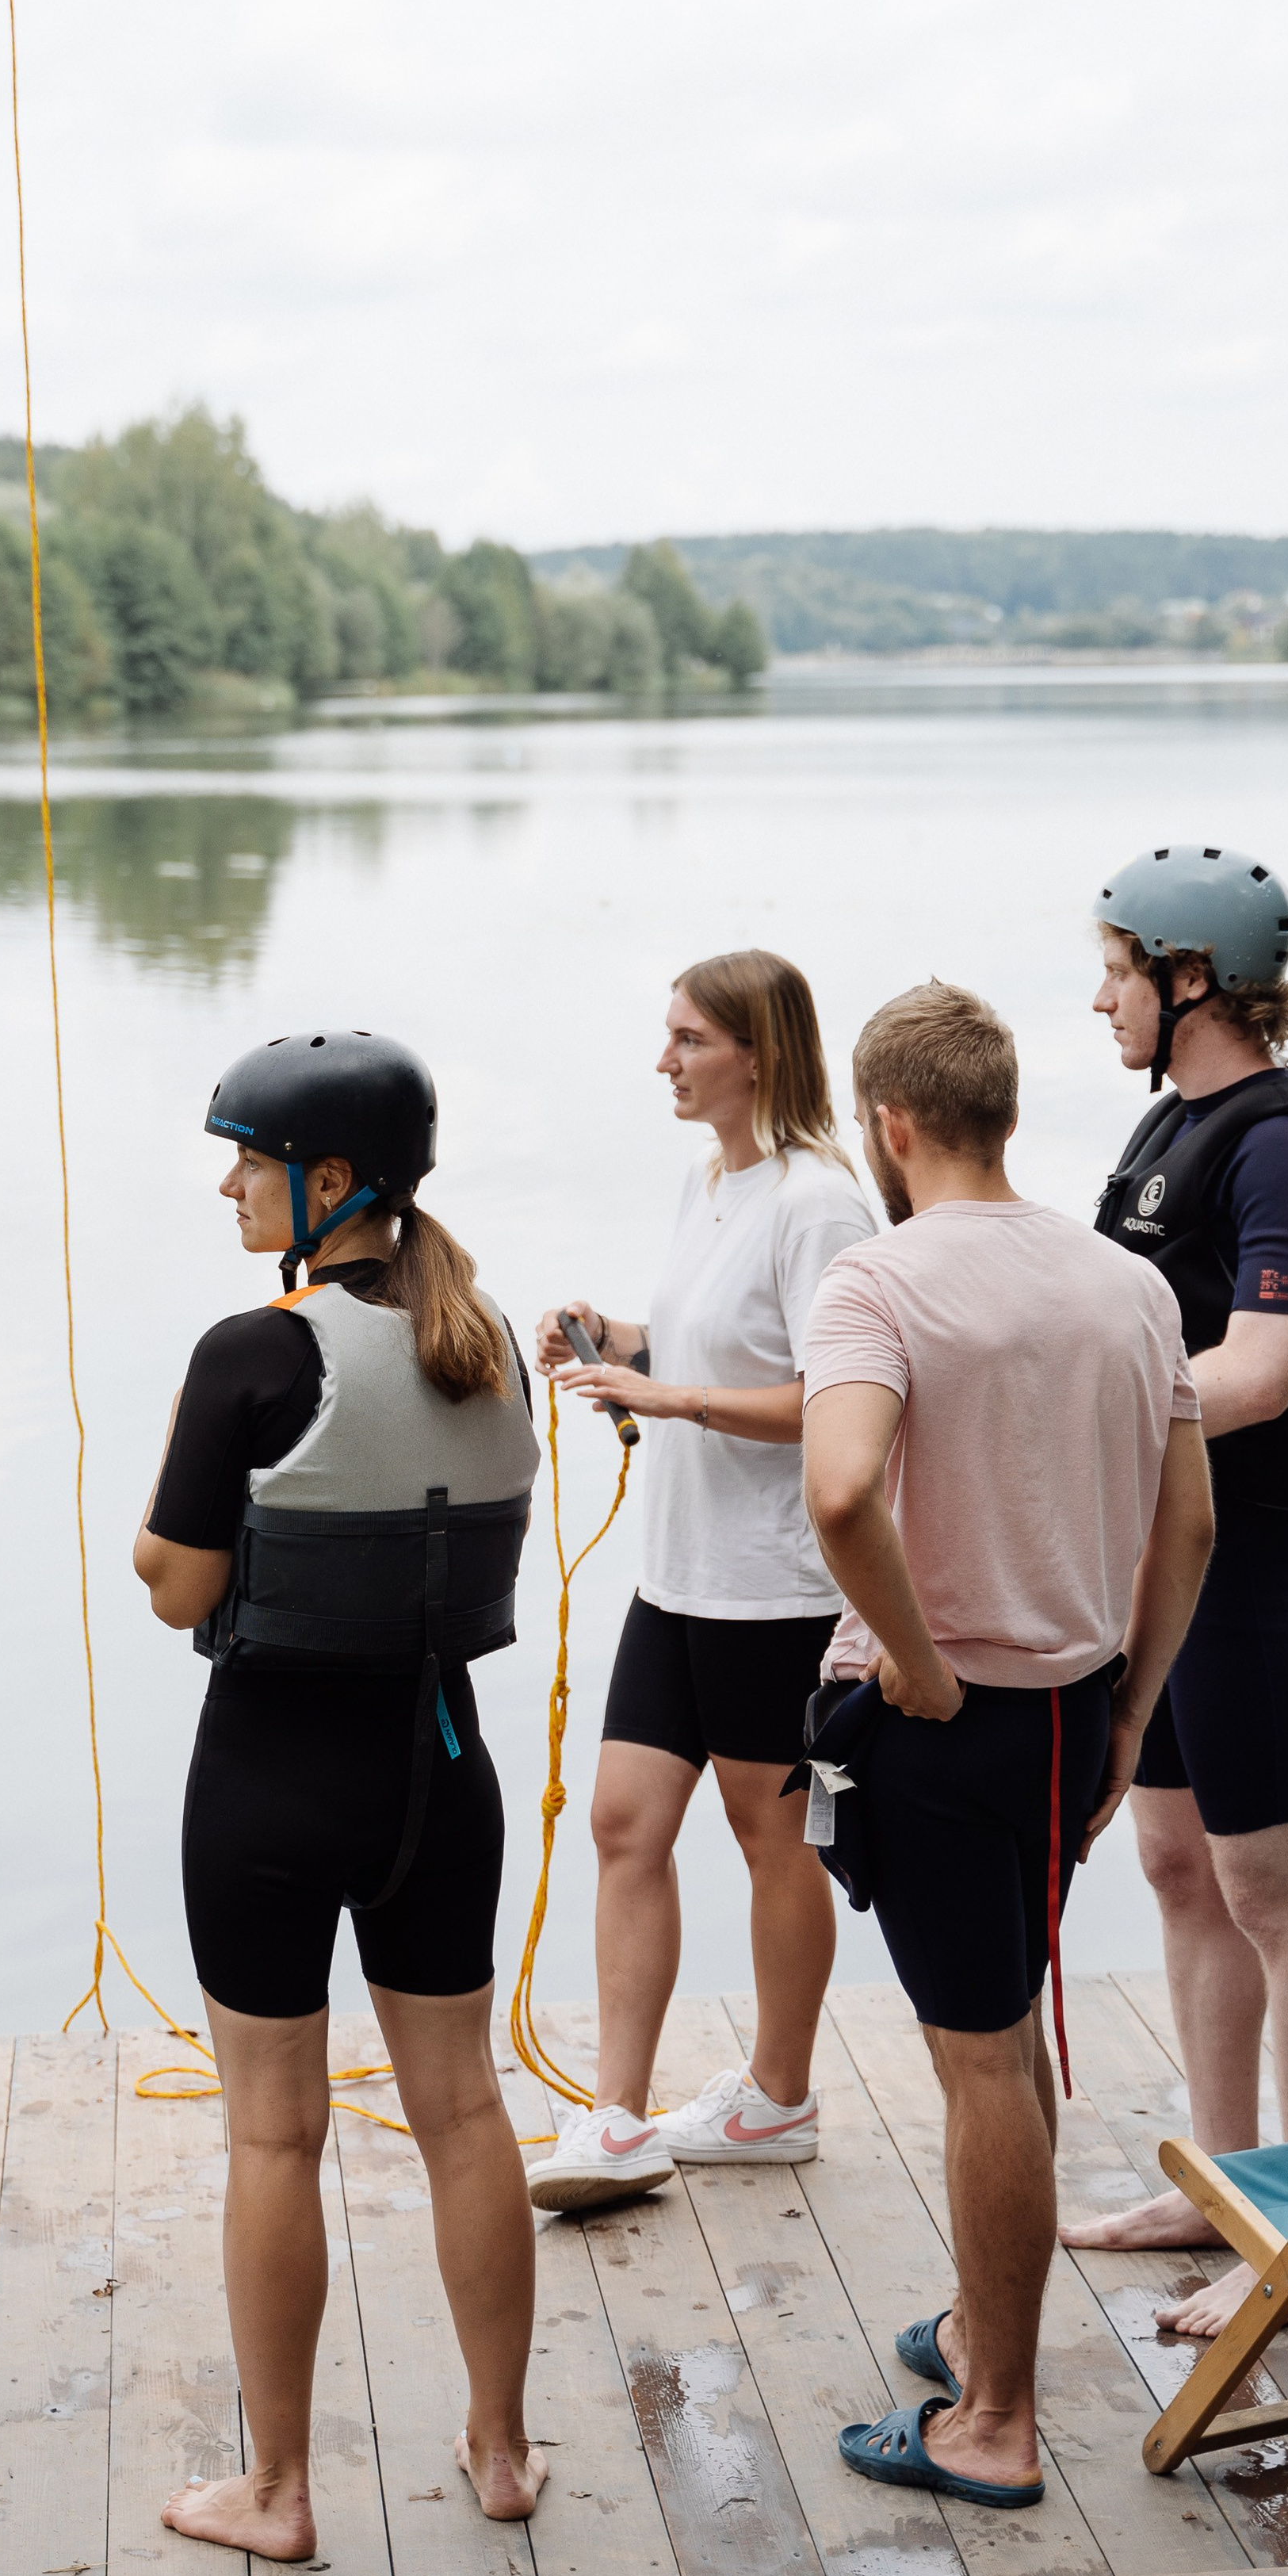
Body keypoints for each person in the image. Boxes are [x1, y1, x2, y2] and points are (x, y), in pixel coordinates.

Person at [132, 1028, 546, 2560]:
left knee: (268, 2137)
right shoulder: (484, 1333)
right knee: (462, 2109)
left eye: (247, 1159)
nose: (231, 1186)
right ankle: (501, 2454)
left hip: (270, 1787)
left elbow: (180, 1589)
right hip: (443, 1774)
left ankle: (281, 2493)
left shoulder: (252, 1357)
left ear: (325, 1184)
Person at [804, 980, 1213, 2510]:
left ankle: (996, 2421)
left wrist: (911, 1662)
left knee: (978, 2058)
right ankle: (987, 2319)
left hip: (944, 1717)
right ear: (1006, 1113)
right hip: (1062, 1718)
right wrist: (1126, 1710)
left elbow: (841, 1496)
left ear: (890, 1124)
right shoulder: (1128, 1285)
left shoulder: (877, 1283)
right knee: (1011, 2023)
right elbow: (1191, 1522)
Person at [1059, 848, 1288, 2337]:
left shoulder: (1287, 1146)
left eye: (1121, 971)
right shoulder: (1170, 1125)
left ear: (1193, 977)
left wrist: (1075, 1417)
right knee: (1181, 1871)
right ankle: (1226, 2182)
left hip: (1243, 1557)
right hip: (1154, 1551)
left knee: (1274, 1887)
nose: (1102, 998)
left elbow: (1262, 1370)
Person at [527, 949, 875, 2214]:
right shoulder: (710, 1181)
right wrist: (619, 1339)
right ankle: (618, 2118)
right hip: (676, 1575)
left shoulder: (821, 1203)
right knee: (624, 1821)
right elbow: (716, 1337)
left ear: (759, 1055)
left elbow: (838, 1396)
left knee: (774, 1840)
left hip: (777, 1588)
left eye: (688, 1040)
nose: (664, 1060)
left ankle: (778, 2097)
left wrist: (666, 1392)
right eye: (666, 1035)